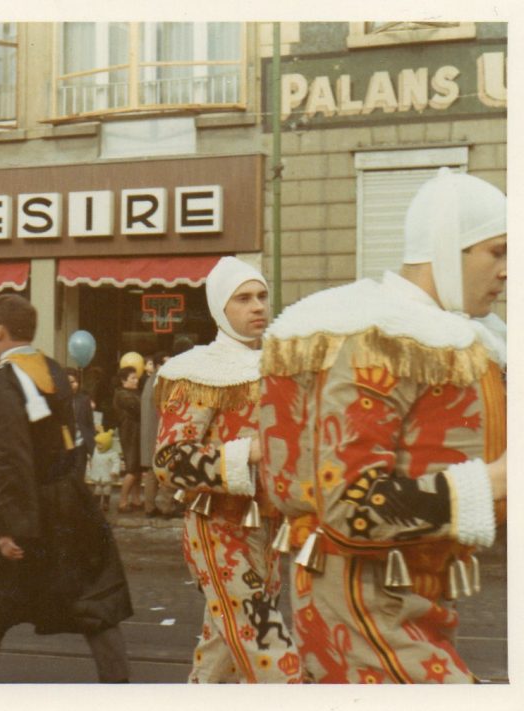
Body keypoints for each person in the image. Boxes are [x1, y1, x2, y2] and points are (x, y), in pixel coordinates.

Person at [259, 168, 507, 683]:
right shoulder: (381, 338)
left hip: (408, 593)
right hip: (365, 601)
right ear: (446, 249)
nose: (510, 270)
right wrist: (493, 482)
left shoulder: (444, 334)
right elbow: (348, 501)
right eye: (498, 251)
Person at [0, 294, 133, 683]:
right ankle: (121, 692)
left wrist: (8, 525)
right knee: (94, 605)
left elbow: (11, 457)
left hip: (23, 507)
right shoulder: (50, 368)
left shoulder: (5, 379)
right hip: (69, 505)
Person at [153, 256, 300, 683]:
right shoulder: (198, 370)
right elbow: (170, 460)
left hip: (265, 527)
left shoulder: (275, 365)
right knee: (262, 638)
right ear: (221, 308)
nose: (257, 306)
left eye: (261, 296)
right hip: (215, 526)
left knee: (224, 646)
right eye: (243, 299)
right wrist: (246, 454)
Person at [140, 351, 175, 519]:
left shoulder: (150, 381)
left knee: (152, 472)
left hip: (150, 432)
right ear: (158, 365)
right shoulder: (162, 381)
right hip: (161, 432)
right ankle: (166, 507)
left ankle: (150, 507)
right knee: (166, 469)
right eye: (166, 362)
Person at [113, 366, 143, 513]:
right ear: (123, 380)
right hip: (129, 433)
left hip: (136, 433)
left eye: (136, 377)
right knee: (132, 468)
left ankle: (136, 499)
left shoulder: (133, 393)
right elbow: (138, 407)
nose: (136, 380)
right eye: (133, 378)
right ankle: (123, 501)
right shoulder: (122, 395)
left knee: (137, 468)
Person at [67, 368, 96, 480]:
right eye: (69, 382)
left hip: (80, 443)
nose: (72, 385)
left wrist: (92, 447)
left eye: (74, 382)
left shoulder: (84, 400)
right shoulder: (59, 400)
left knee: (79, 476)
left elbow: (89, 424)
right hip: (65, 445)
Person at [86, 429, 119, 512]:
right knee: (98, 489)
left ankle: (106, 503)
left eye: (100, 444)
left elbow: (116, 463)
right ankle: (96, 503)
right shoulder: (96, 451)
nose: (98, 446)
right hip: (98, 475)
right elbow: (92, 458)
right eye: (97, 443)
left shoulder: (112, 453)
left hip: (107, 475)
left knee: (107, 489)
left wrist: (114, 471)